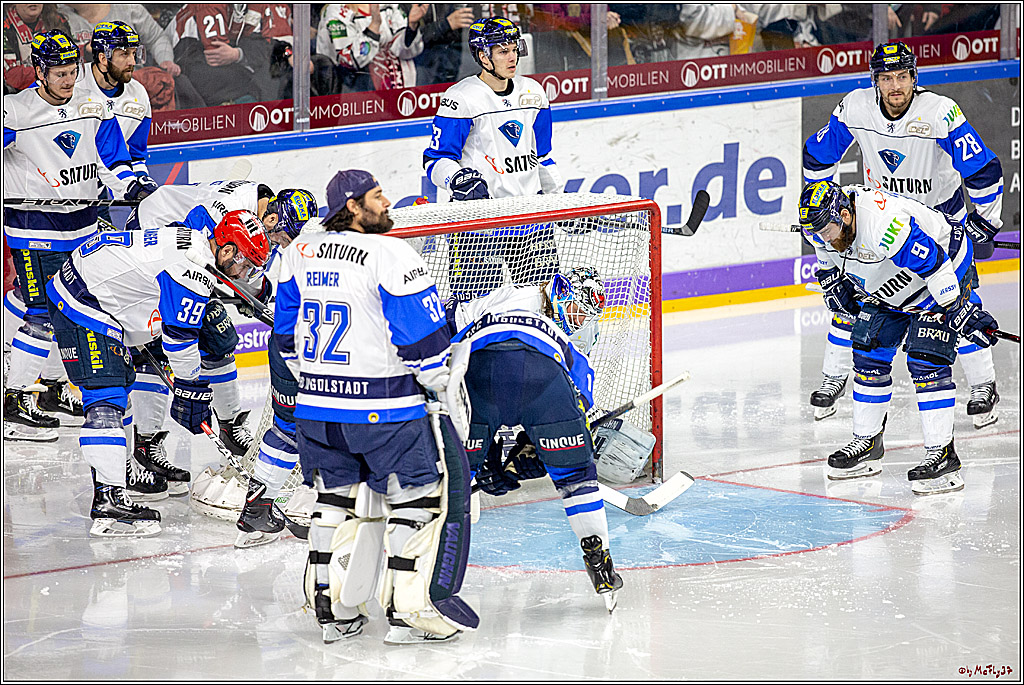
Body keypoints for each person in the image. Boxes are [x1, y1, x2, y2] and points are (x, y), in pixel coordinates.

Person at [275, 169, 477, 645]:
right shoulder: (390, 253)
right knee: (420, 500)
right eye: (377, 196)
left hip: (316, 411)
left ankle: (332, 610)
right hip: (385, 411)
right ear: (353, 207)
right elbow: (424, 344)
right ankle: (409, 612)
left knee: (333, 501)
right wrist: (440, 384)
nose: (387, 203)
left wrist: (317, 383)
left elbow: (284, 338)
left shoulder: (297, 252)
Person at [802, 41, 1004, 427]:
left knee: (957, 302)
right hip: (880, 225)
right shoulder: (856, 107)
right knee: (854, 297)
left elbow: (983, 170)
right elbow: (817, 157)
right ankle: (833, 376)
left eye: (902, 76)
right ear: (875, 81)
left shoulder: (940, 113)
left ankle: (984, 385)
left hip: (937, 225)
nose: (895, 86)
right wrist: (826, 204)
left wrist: (986, 221)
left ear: (914, 77)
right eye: (886, 78)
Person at [44, 210, 272, 536]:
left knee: (121, 386)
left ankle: (117, 480)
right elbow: (179, 341)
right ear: (226, 250)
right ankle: (109, 500)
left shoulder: (200, 244)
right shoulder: (192, 270)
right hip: (84, 300)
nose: (244, 273)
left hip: (102, 290)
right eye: (245, 264)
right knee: (106, 395)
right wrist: (190, 386)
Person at [798, 180, 999, 496]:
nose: (824, 238)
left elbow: (934, 264)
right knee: (869, 352)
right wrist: (832, 283)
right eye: (817, 234)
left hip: (943, 269)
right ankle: (867, 443)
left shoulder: (883, 224)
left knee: (926, 358)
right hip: (890, 284)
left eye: (827, 231)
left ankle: (942, 454)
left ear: (845, 215)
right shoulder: (820, 228)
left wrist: (956, 307)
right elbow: (826, 261)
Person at [446, 266, 625, 609]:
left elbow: (453, 361)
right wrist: (543, 443)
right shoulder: (559, 336)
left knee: (456, 478)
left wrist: (485, 451)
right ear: (562, 293)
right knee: (576, 477)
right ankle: (601, 567)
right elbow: (578, 398)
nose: (580, 320)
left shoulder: (496, 310)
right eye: (578, 310)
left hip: (476, 371)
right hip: (545, 383)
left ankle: (433, 578)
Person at [3, 30, 147, 442]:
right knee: (40, 314)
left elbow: (113, 159)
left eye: (72, 71)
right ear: (40, 72)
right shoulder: (14, 112)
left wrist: (134, 187)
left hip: (82, 225)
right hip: (33, 227)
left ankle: (50, 390)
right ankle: (12, 404)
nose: (68, 80)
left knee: (69, 312)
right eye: (60, 73)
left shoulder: (91, 106)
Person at [126, 182, 312, 486]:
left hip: (182, 256)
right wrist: (189, 384)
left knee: (219, 339)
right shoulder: (223, 209)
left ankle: (230, 426)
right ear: (272, 219)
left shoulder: (257, 218)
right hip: (151, 242)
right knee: (159, 342)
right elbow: (197, 260)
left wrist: (257, 292)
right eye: (282, 238)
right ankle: (145, 444)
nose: (280, 244)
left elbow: (238, 269)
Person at [422, 16, 563, 299]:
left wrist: (559, 201)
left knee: (545, 304)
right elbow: (435, 161)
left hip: (532, 223)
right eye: (503, 51)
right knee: (476, 308)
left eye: (514, 49)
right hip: (478, 227)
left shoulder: (534, 93)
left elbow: (542, 157)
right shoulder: (461, 98)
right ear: (483, 56)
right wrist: (456, 179)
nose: (512, 57)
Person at [316, 3, 424, 92]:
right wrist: (374, 27)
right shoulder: (335, 11)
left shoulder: (389, 5)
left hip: (401, 83)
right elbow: (348, 61)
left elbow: (404, 51)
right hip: (356, 91)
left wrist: (411, 26)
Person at [3, 4, 75, 93]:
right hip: (17, 94)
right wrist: (52, 73)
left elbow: (72, 58)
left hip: (57, 89)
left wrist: (86, 50)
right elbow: (11, 75)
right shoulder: (5, 25)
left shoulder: (58, 20)